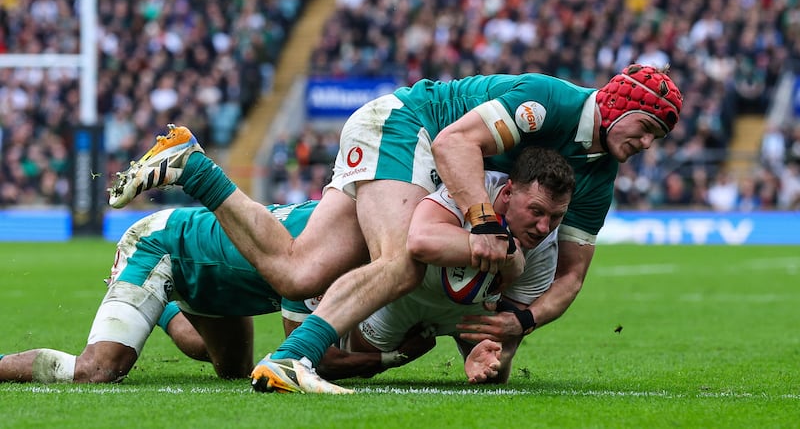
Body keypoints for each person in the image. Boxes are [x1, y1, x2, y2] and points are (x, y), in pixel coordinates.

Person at [108, 64, 682, 394]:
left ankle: (191, 165)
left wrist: (521, 320)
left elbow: (572, 276)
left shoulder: (599, 174)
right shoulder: (551, 102)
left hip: (410, 145)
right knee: (403, 261)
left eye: (661, 137)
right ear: (615, 103)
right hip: (407, 125)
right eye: (647, 126)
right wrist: (484, 224)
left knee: (298, 268)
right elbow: (455, 143)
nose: (649, 144)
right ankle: (294, 358)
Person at [276, 146, 575, 386]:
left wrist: (490, 355)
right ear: (508, 193)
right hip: (406, 295)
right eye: (536, 211)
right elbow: (419, 241)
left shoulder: (544, 248)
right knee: (349, 358)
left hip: (467, 314)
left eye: (556, 217)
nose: (543, 227)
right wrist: (502, 252)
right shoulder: (473, 190)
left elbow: (505, 331)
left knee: (494, 379)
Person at [0, 200, 362, 392]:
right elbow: (306, 356)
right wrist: (391, 357)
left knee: (233, 369)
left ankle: (160, 305)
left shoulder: (346, 222)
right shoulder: (331, 242)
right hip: (161, 243)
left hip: (216, 274)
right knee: (97, 370)